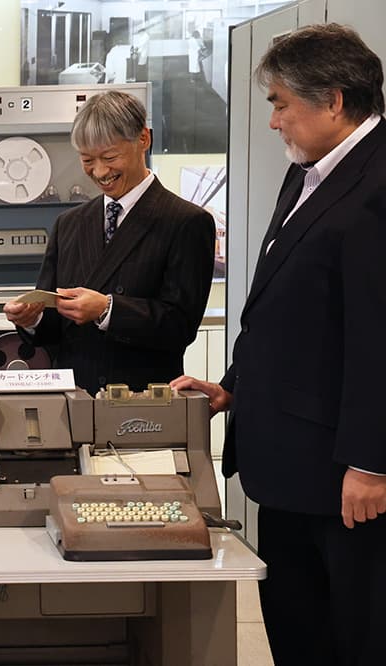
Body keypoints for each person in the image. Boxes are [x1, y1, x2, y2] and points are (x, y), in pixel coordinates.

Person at [171, 23, 386, 665]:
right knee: (296, 626)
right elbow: (279, 307)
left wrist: (372, 462)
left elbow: (377, 335)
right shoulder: (308, 175)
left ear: (335, 101)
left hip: (347, 476)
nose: (273, 122)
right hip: (289, 463)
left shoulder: (376, 188)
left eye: (280, 103)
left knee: (358, 634)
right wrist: (234, 383)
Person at [3, 90, 214, 396]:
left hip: (143, 400)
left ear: (143, 139)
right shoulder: (69, 224)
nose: (100, 172)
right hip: (72, 400)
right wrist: (32, 317)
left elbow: (179, 327)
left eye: (110, 157)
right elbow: (52, 327)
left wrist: (107, 309)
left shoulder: (185, 221)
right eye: (87, 160)